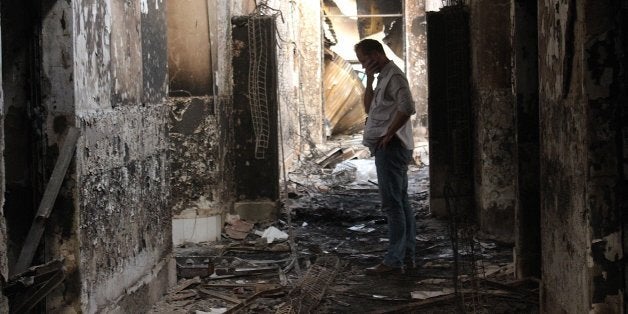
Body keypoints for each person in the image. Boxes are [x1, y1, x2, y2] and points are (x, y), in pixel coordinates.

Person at [354, 39, 416, 274]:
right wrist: (368, 79)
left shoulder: (395, 76)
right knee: (400, 201)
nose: (363, 65)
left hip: (392, 148)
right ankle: (407, 254)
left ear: (377, 54)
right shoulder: (382, 77)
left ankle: (393, 261)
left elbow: (407, 106)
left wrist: (390, 133)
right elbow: (369, 109)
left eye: (365, 60)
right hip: (388, 147)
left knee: (392, 205)